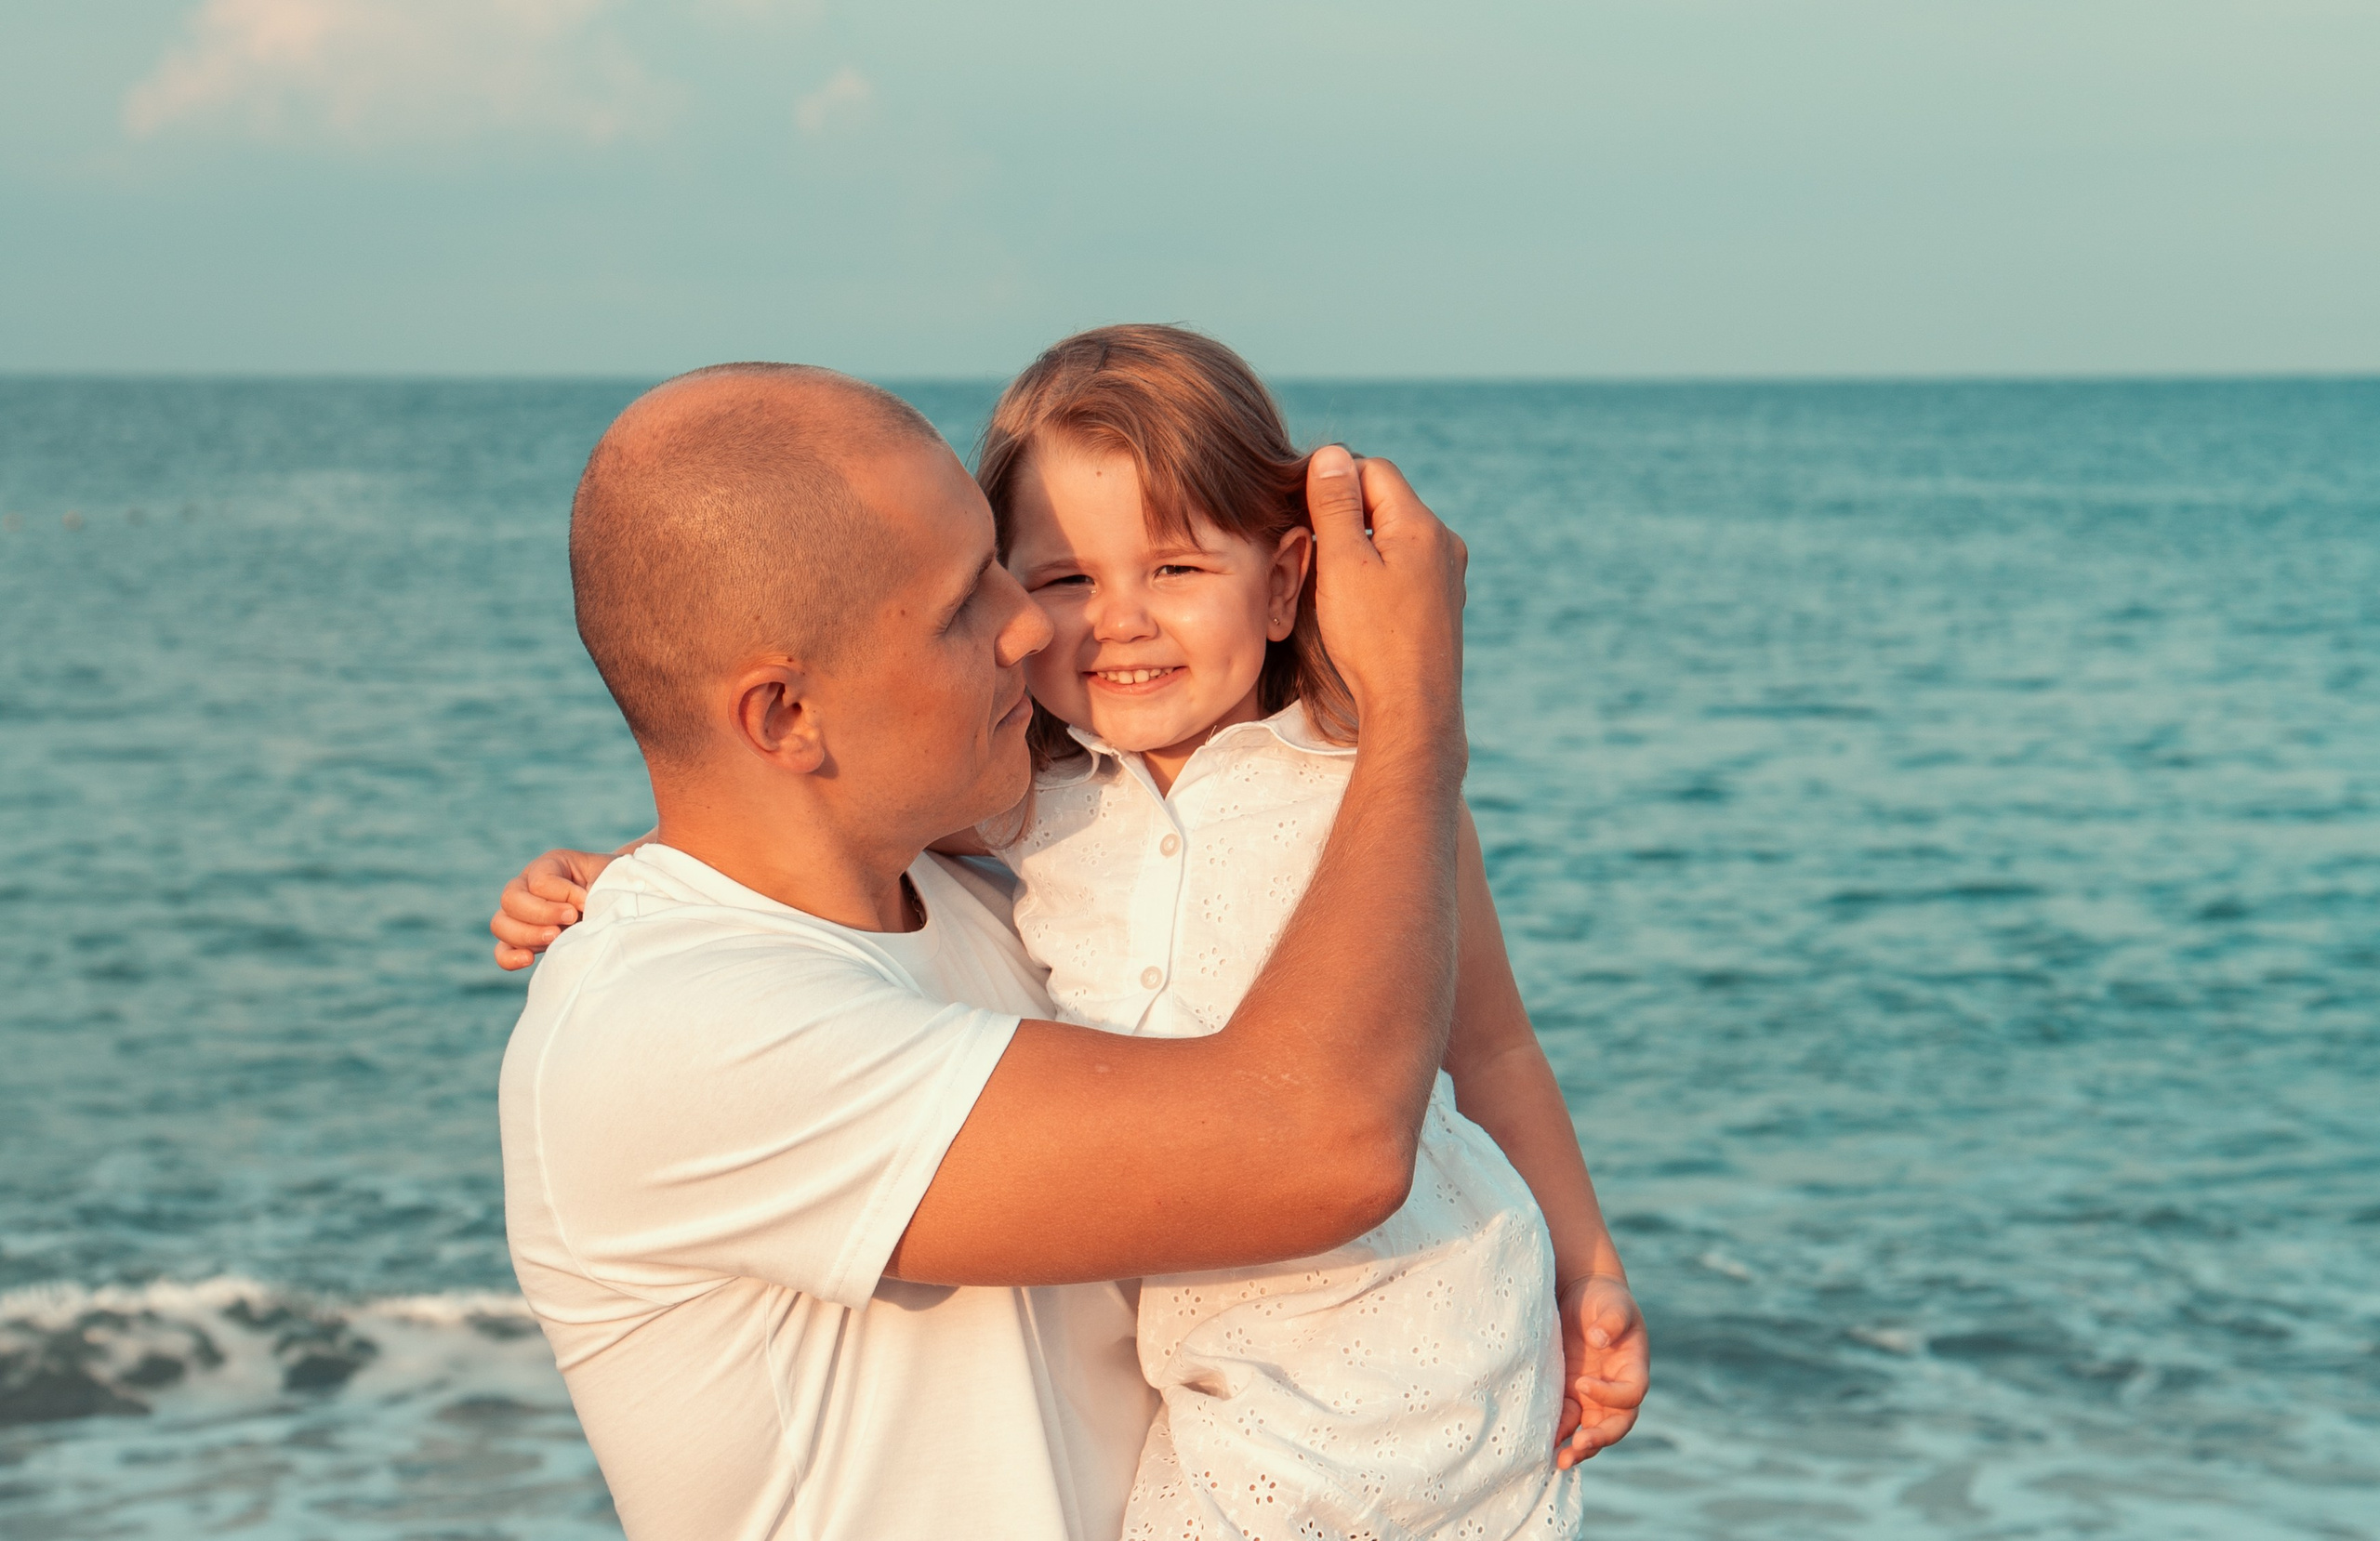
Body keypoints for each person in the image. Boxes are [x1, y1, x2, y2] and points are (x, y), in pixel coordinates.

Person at [501, 330, 1650, 1539]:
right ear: (785, 713)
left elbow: (1489, 1047)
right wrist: (1418, 708)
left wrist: (1587, 1269)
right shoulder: (670, 1029)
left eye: (1002, 576)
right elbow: (1324, 1146)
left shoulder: (979, 893)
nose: (1032, 630)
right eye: (977, 599)